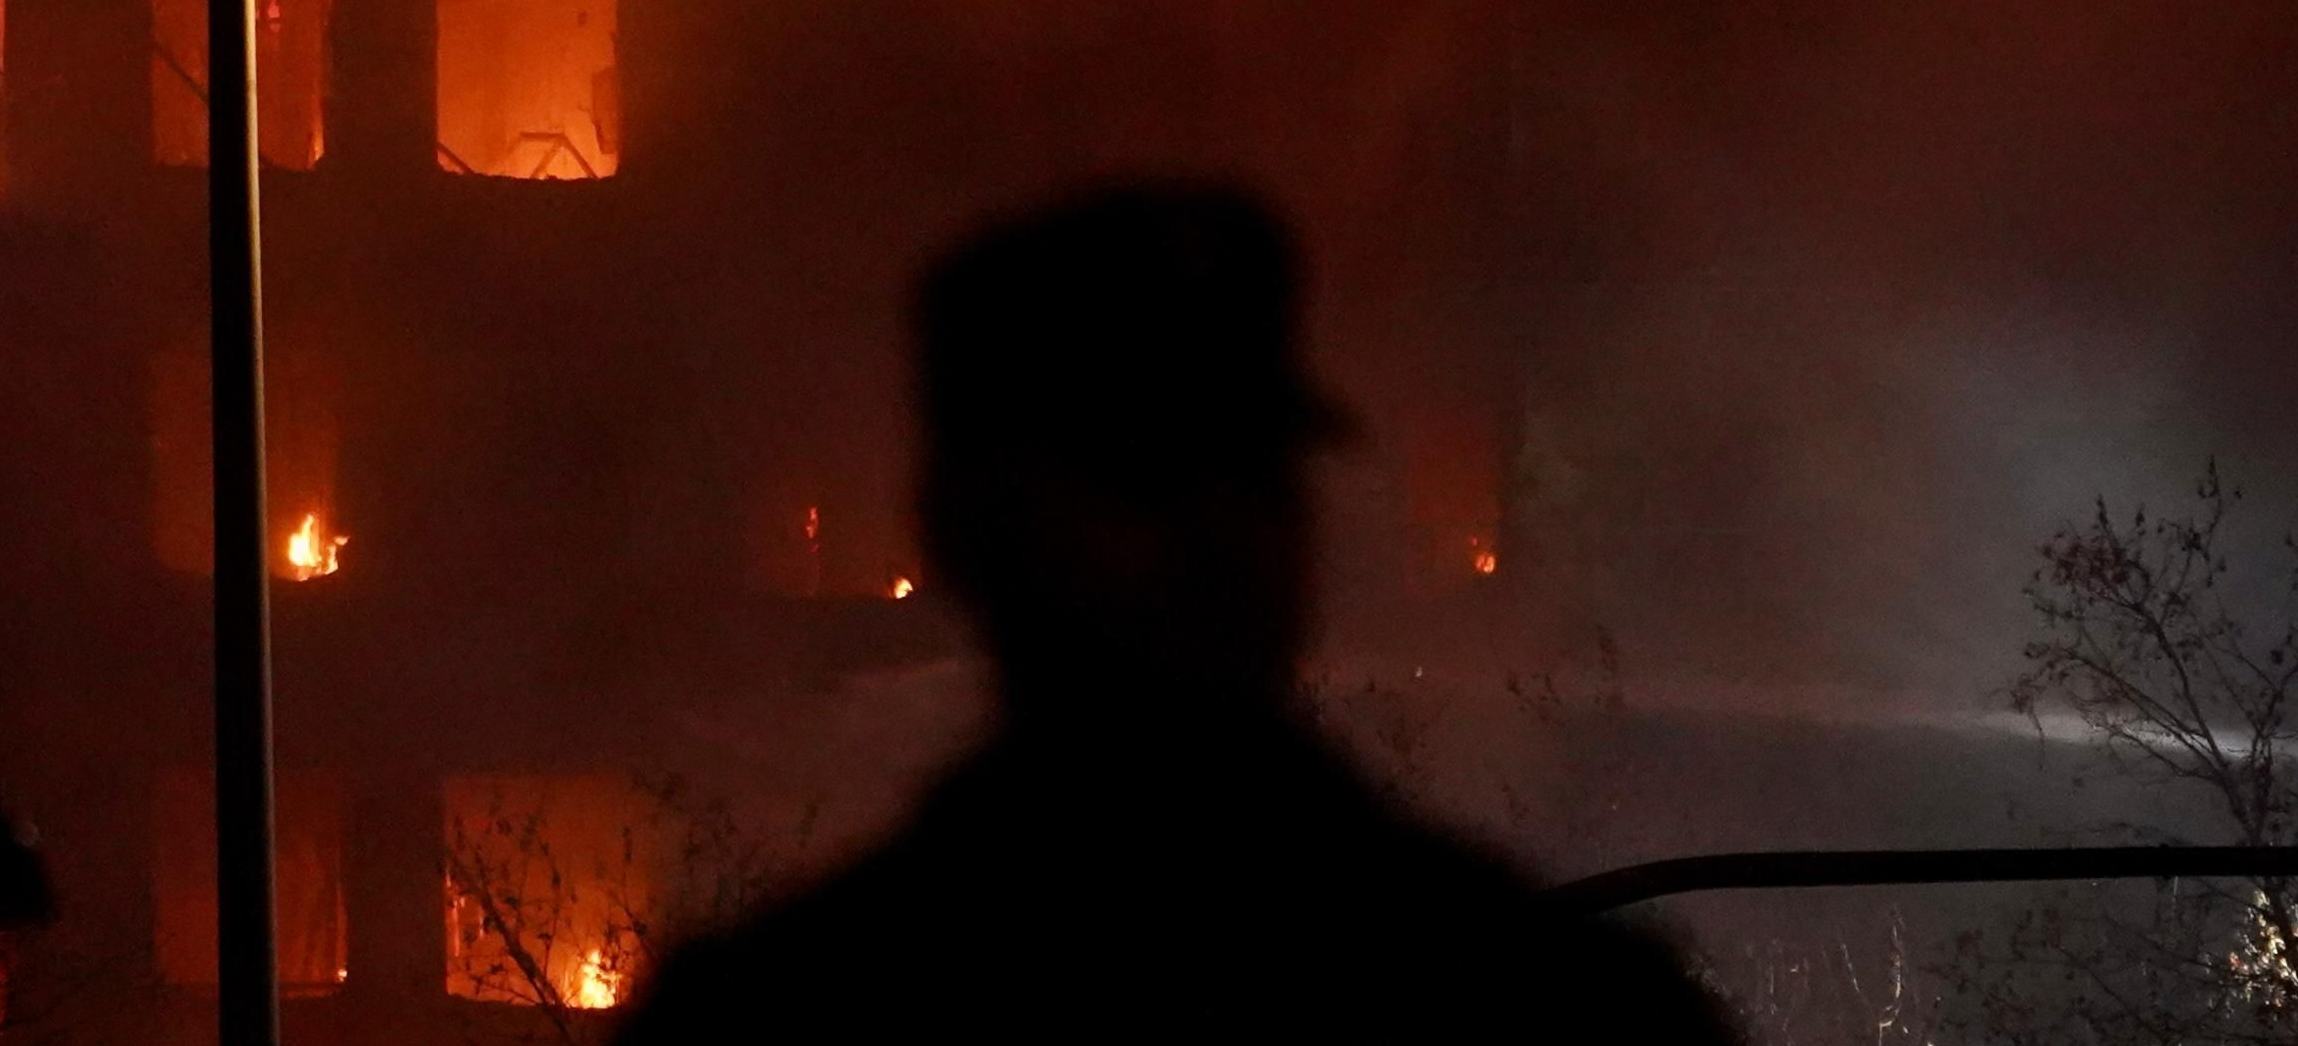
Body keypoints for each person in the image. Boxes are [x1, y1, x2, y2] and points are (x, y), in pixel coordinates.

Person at [619, 185, 1729, 1044]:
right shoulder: (1554, 1003)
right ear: (970, 527)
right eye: (1138, 477)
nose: (1212, 539)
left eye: (1250, 477)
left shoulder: (771, 1011)